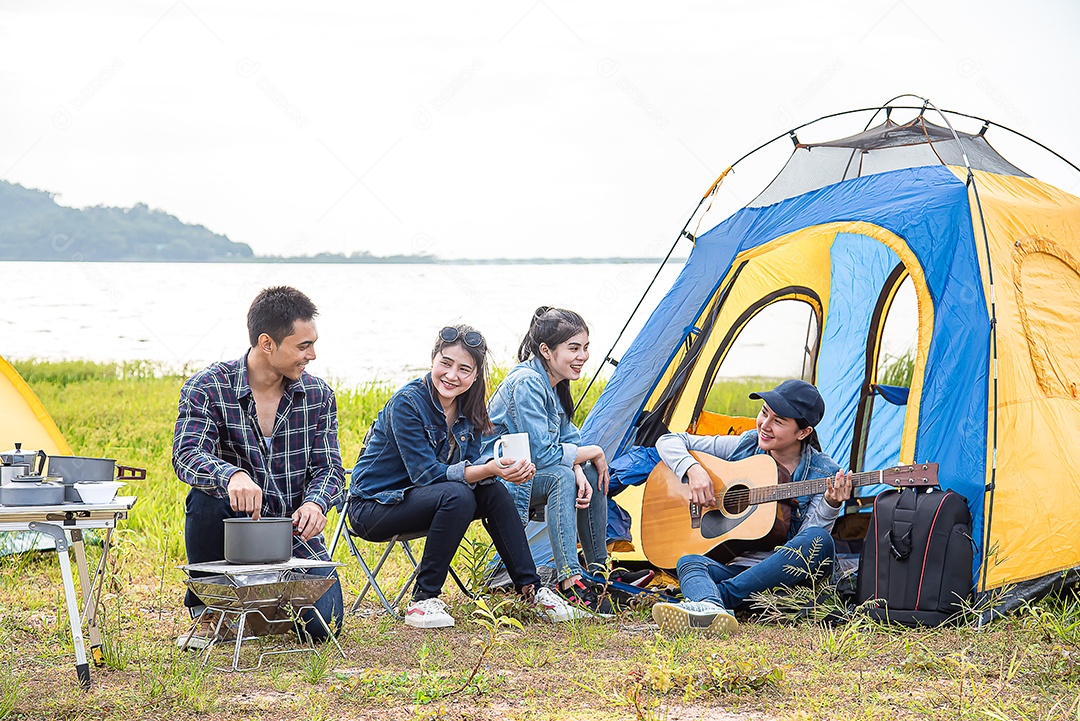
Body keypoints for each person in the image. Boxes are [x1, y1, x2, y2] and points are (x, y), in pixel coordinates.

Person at [348, 324, 583, 628]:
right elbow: (427, 475)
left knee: (493, 492)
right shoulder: (407, 403)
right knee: (458, 494)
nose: (451, 375)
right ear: (433, 360)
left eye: (464, 369)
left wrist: (506, 469)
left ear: (475, 375)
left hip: (425, 501)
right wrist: (487, 469)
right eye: (445, 363)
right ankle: (423, 600)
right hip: (374, 507)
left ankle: (532, 589)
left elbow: (470, 464)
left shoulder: (469, 408)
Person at [173, 286, 345, 647]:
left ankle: (258, 608)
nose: (312, 355)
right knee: (205, 497)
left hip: (292, 535)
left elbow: (329, 469)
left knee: (324, 627)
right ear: (267, 343)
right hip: (234, 535)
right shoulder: (208, 387)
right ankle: (211, 611)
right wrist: (231, 475)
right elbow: (186, 454)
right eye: (303, 346)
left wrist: (316, 503)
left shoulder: (318, 396)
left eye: (313, 344)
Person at [650, 379, 852, 636]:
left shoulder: (824, 473)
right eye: (764, 412)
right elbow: (668, 441)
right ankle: (715, 605)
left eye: (778, 421)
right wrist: (693, 470)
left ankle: (714, 601)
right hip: (739, 568)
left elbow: (805, 551)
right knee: (689, 561)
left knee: (819, 539)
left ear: (803, 432)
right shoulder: (746, 444)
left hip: (782, 575)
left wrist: (831, 505)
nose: (764, 426)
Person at [482, 307, 615, 614]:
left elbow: (570, 440)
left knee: (590, 475)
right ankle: (570, 580)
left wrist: (580, 464)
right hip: (502, 480)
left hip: (530, 473)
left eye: (585, 348)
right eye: (573, 348)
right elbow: (541, 456)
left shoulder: (553, 382)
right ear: (546, 350)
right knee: (562, 476)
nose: (582, 356)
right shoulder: (528, 382)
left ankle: (597, 573)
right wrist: (586, 457)